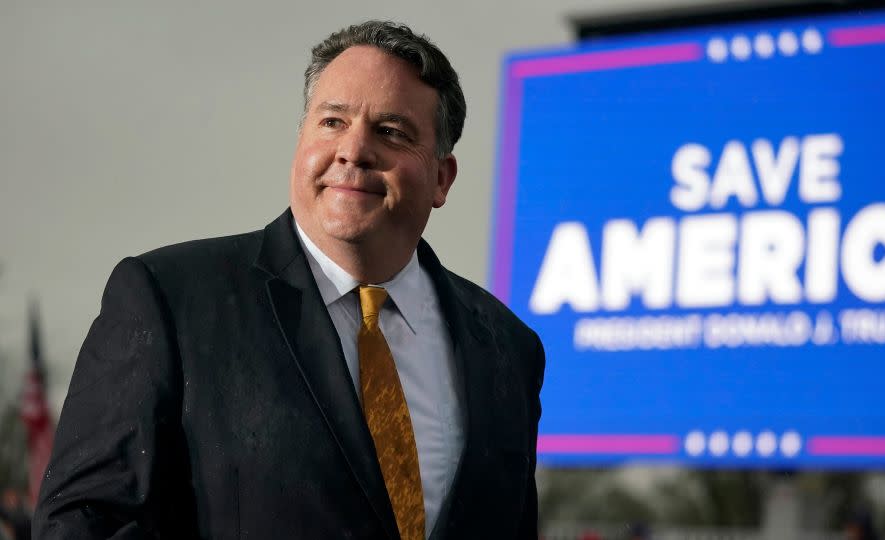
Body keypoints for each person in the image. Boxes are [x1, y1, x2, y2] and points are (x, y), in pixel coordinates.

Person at [33, 20, 544, 540]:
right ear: (301, 139)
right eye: (332, 122)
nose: (354, 150)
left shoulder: (508, 349)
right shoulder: (170, 300)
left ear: (441, 177)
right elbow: (84, 522)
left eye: (391, 132)